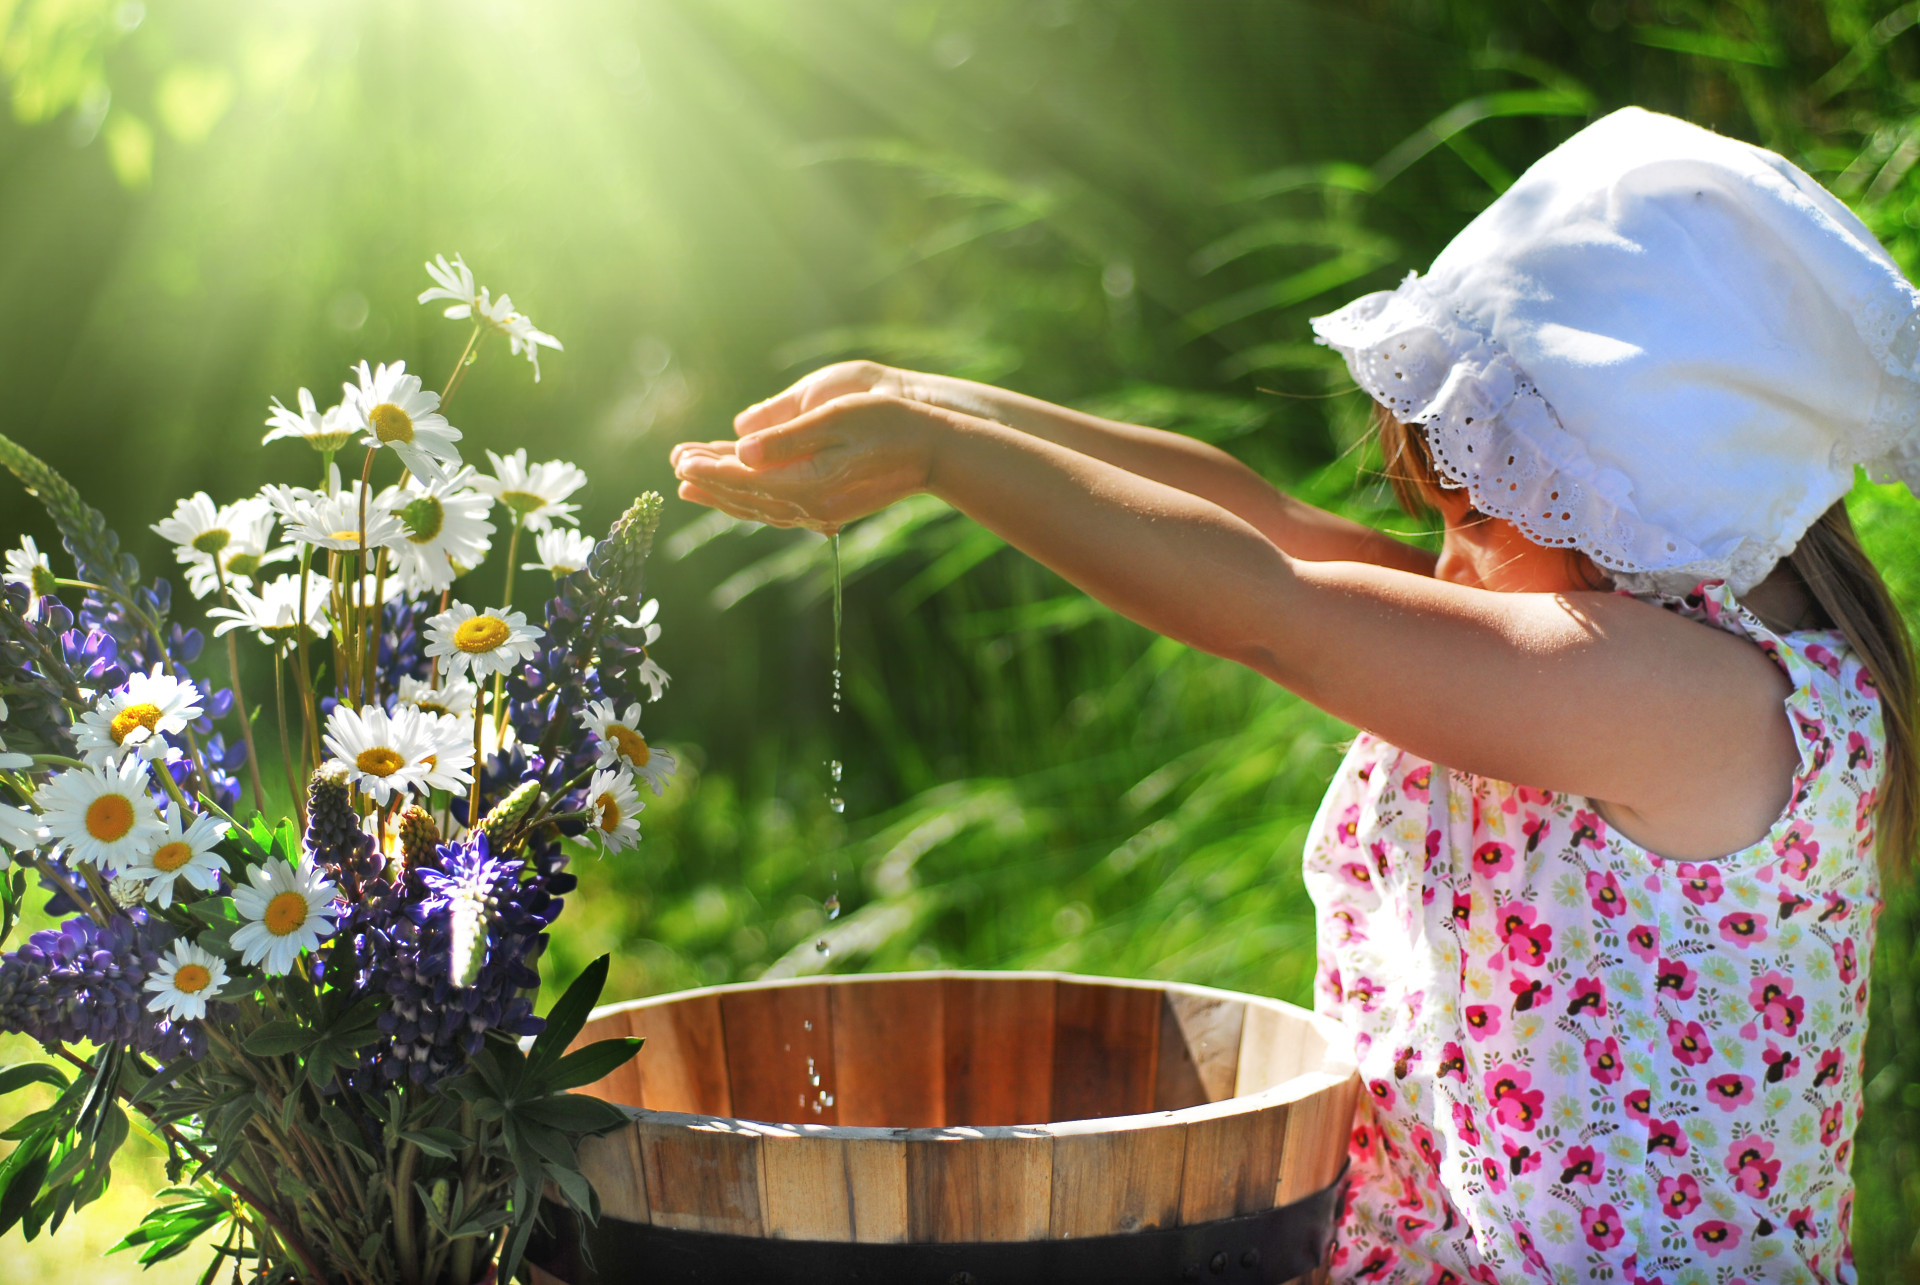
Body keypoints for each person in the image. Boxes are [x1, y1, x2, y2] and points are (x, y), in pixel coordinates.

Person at [670, 107, 1912, 1283]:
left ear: (1633, 488)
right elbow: (1262, 522)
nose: (1446, 559)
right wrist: (938, 401)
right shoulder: (1607, 637)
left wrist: (949, 459)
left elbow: (1270, 603)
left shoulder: (1685, 697)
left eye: (1479, 505)